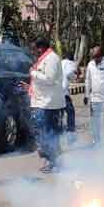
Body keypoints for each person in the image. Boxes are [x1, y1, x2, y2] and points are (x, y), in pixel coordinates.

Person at [22, 37, 64, 173]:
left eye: (34, 49)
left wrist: (33, 73)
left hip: (48, 104)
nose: (33, 52)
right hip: (43, 102)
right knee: (45, 134)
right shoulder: (45, 58)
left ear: (41, 48)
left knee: (46, 134)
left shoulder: (51, 59)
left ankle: (53, 162)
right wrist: (30, 87)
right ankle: (53, 162)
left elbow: (49, 79)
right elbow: (43, 80)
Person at [84, 46, 104, 147]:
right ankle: (96, 141)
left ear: (102, 55)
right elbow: (88, 80)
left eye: (97, 56)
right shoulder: (90, 64)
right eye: (93, 57)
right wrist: (86, 95)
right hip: (94, 98)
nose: (95, 59)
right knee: (95, 120)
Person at [60, 51, 78, 144]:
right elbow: (70, 75)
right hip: (64, 93)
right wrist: (75, 75)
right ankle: (70, 134)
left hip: (55, 93)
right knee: (71, 112)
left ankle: (57, 137)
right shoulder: (71, 63)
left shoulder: (60, 62)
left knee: (59, 115)